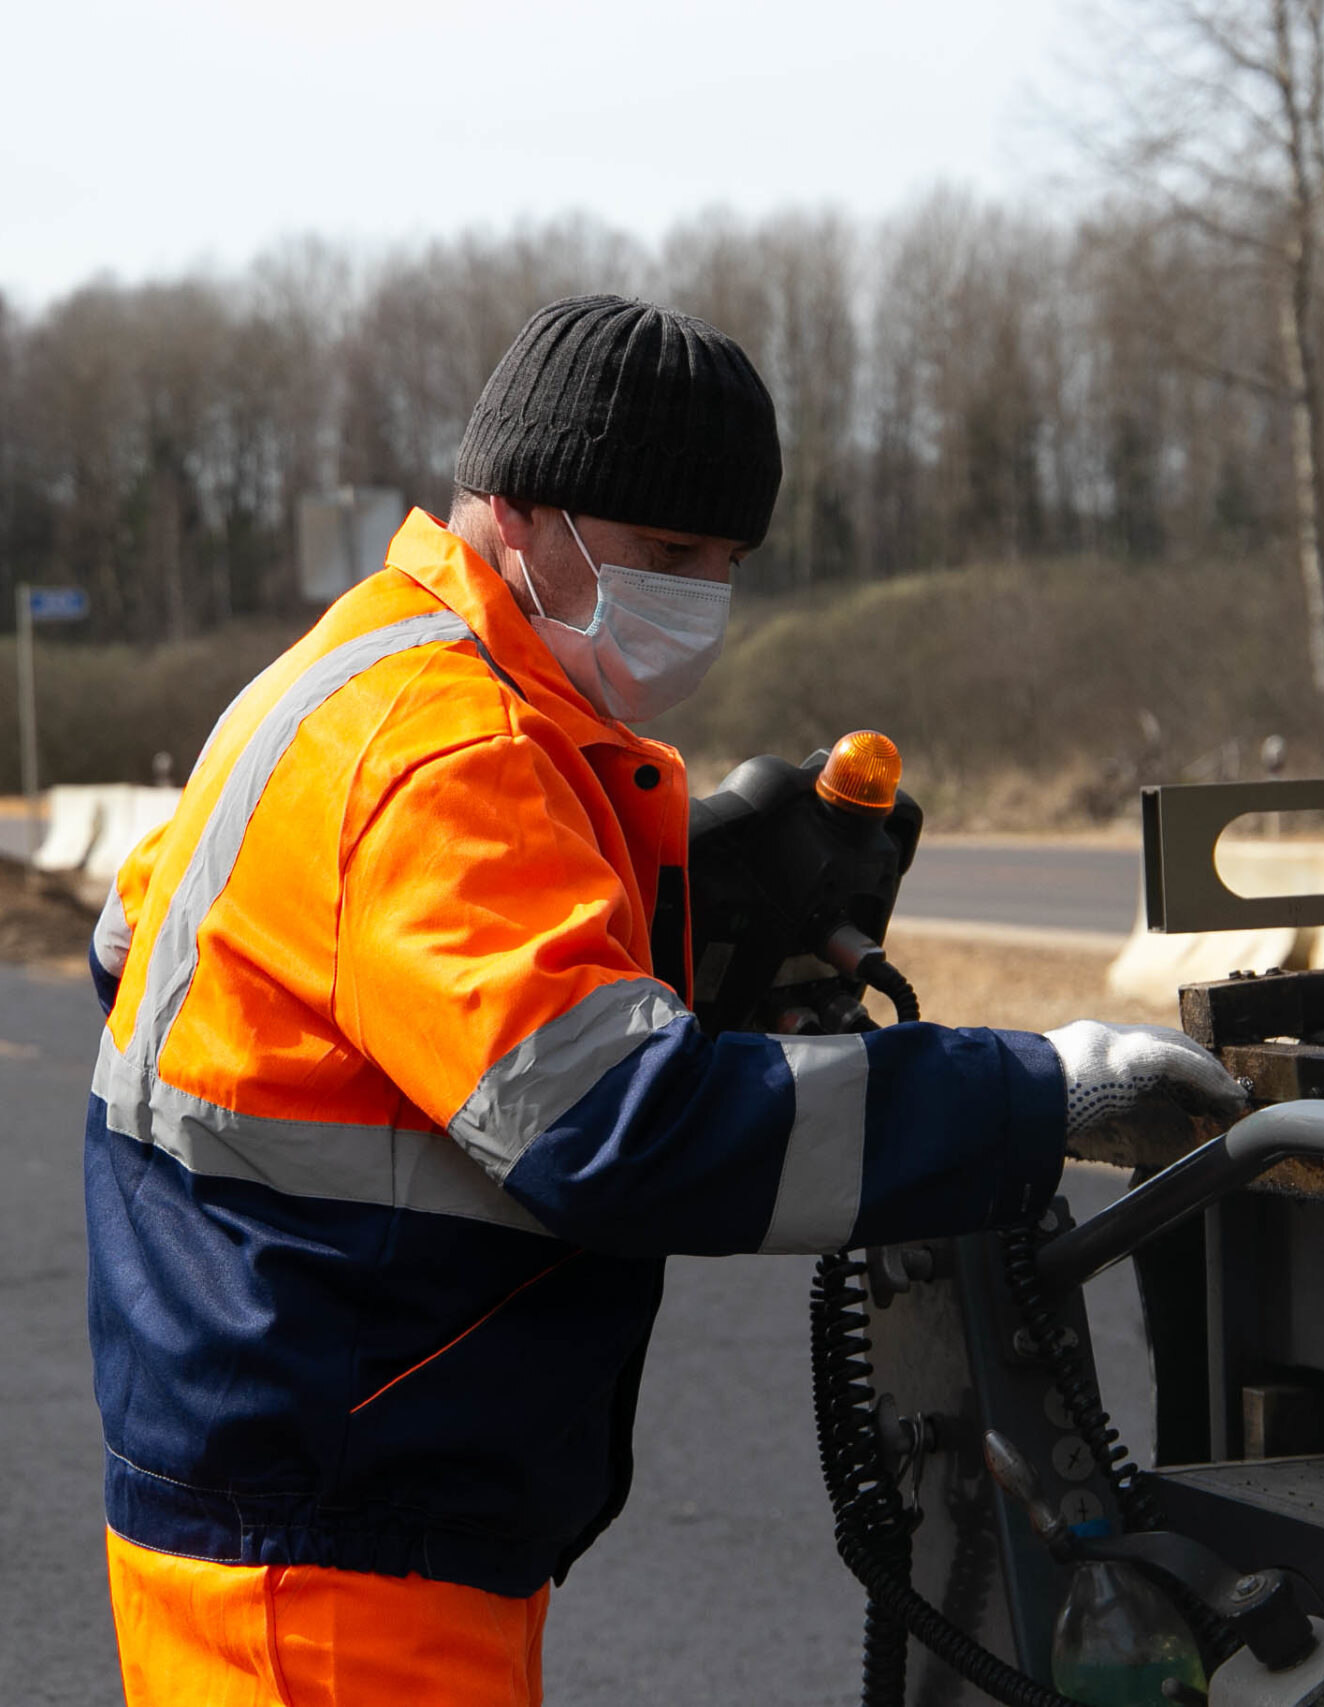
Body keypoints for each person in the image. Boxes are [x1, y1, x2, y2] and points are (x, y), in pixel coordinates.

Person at [83, 294, 1245, 1706]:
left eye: (726, 559)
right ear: (519, 510)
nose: (699, 591)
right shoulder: (446, 754)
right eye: (665, 551)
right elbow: (616, 1127)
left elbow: (143, 945)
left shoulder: (346, 674)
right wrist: (1042, 1093)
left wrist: (650, 976)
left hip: (296, 1506)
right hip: (336, 1558)